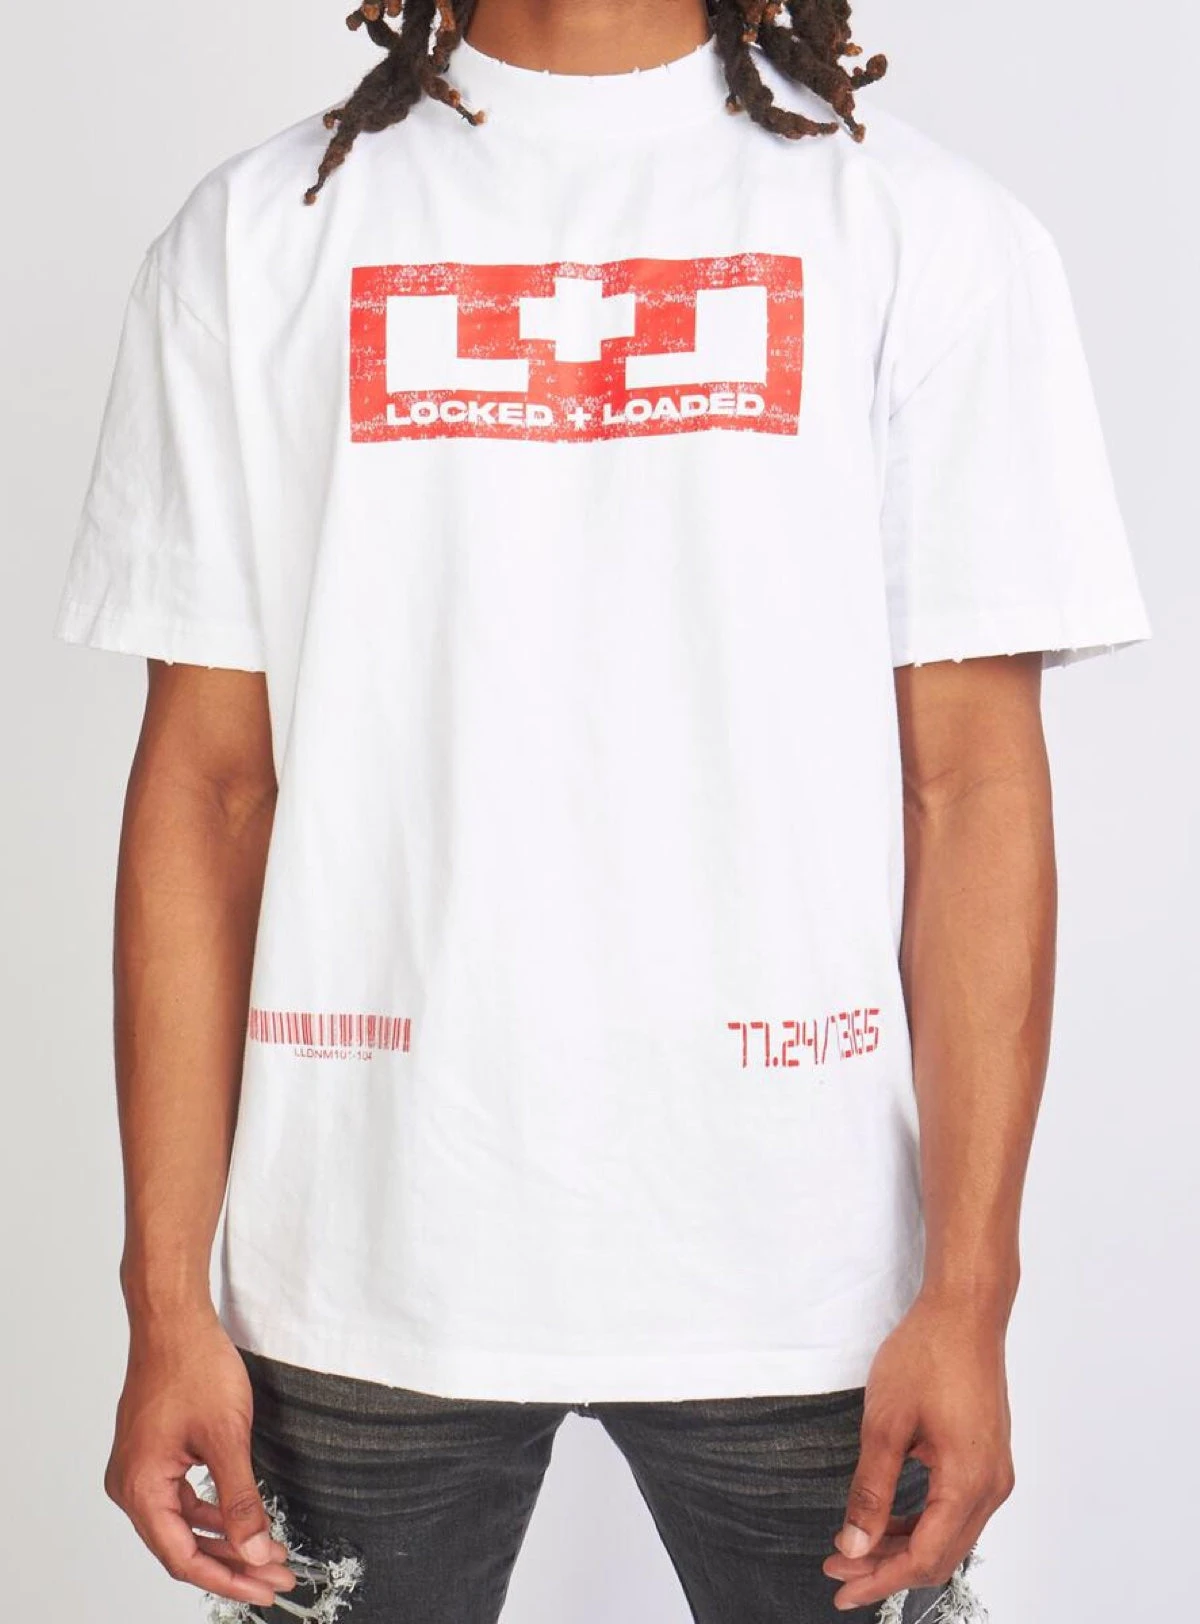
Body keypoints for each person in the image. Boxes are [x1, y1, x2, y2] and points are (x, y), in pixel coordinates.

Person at [52, 0, 1151, 1619]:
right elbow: (208, 789)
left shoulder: (926, 233)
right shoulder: (253, 240)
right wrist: (163, 1302)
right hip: (362, 1266)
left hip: (809, 1281)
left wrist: (971, 1296)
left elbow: (973, 786)